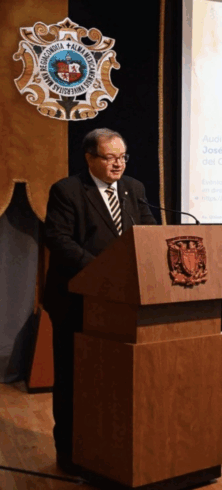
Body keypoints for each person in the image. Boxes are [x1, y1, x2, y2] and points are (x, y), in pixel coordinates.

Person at [43, 128, 156, 474]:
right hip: (77, 300)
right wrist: (101, 271)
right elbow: (57, 239)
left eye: (122, 157)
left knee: (113, 378)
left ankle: (109, 447)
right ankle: (69, 453)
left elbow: (148, 231)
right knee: (73, 378)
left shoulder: (134, 189)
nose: (118, 163)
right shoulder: (68, 190)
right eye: (110, 157)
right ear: (90, 158)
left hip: (122, 304)